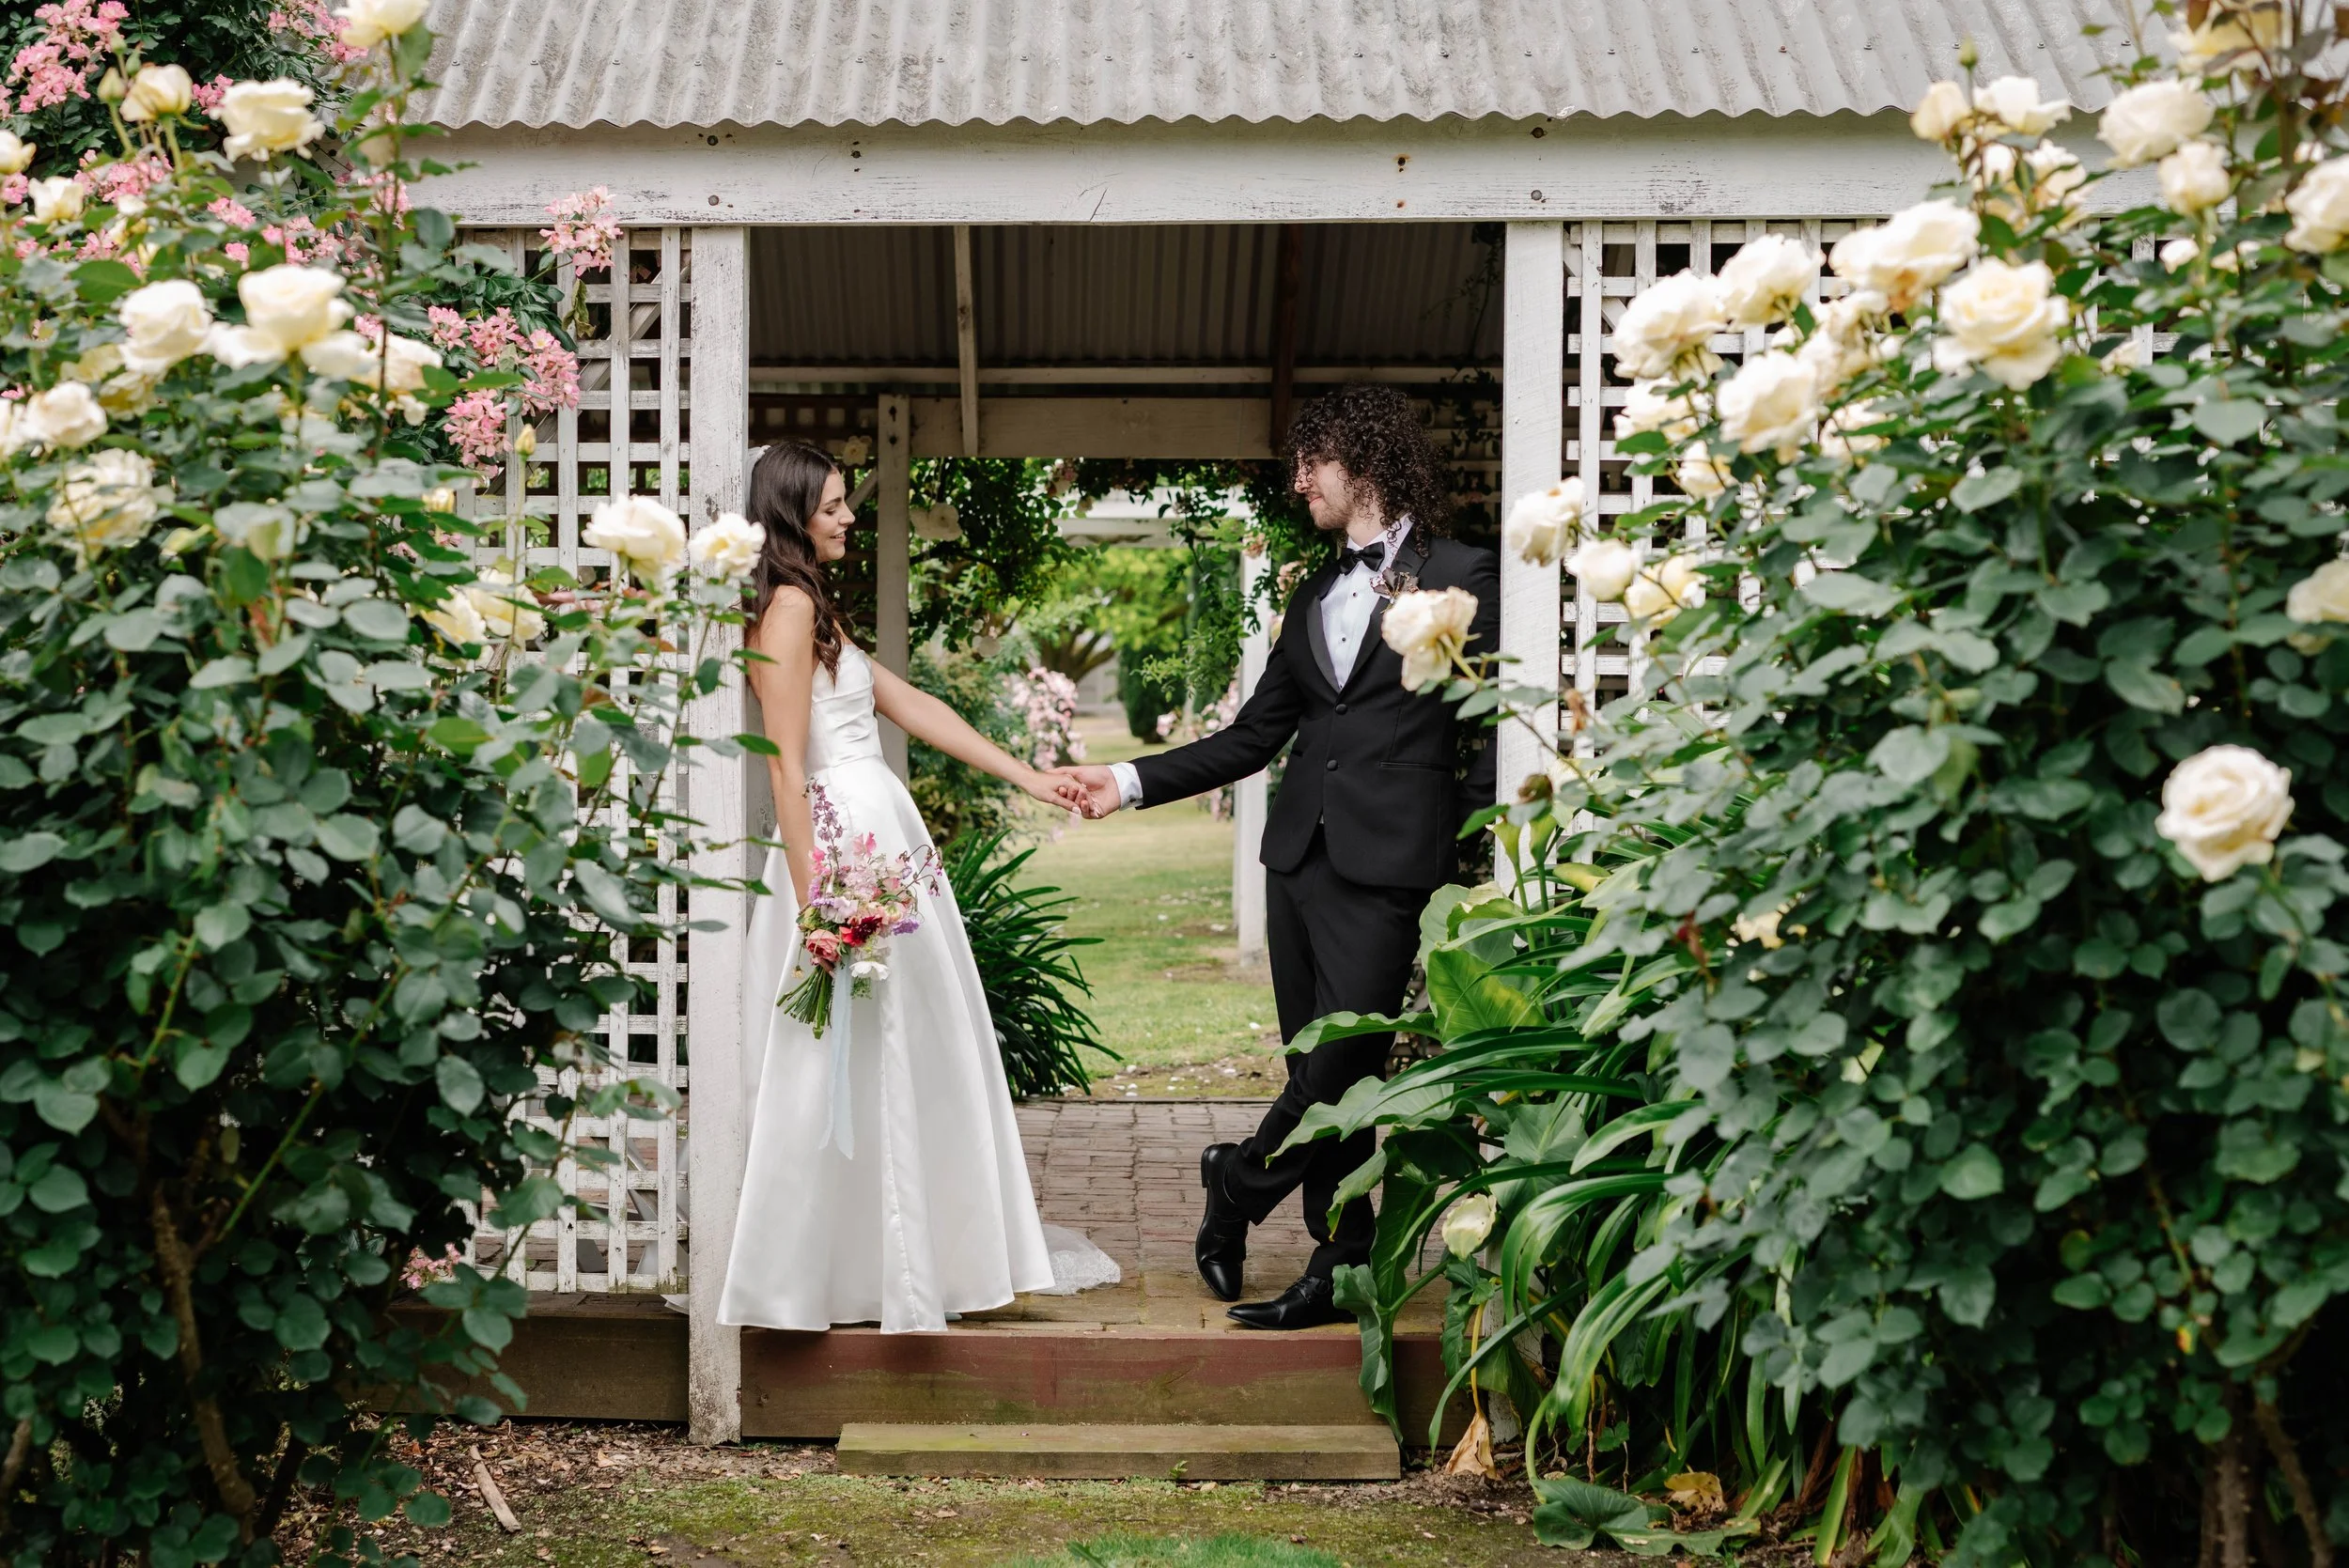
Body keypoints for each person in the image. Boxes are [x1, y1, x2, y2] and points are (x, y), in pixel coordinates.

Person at [1057, 384, 1500, 1328]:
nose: (1298, 480)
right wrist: (1126, 782)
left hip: (1391, 866)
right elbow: (1256, 735)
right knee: (1322, 1065)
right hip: (1296, 859)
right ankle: (1335, 1267)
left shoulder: (1463, 575)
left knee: (1342, 1066)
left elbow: (1492, 724)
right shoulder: (1310, 592)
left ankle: (1237, 1183)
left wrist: (1462, 837)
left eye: (1314, 461)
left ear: (1365, 462)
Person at [717, 441, 1117, 1334]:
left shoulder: (813, 608)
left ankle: (901, 1251)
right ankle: (837, 1269)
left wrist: (1030, 774)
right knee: (841, 1056)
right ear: (790, 516)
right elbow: (785, 772)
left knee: (907, 1045)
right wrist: (815, 899)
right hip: (836, 850)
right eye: (830, 506)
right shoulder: (783, 611)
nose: (848, 515)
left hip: (882, 838)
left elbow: (913, 706)